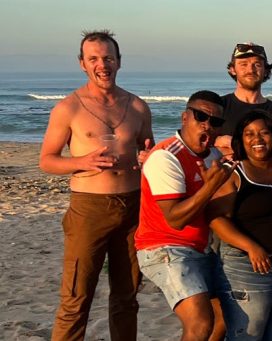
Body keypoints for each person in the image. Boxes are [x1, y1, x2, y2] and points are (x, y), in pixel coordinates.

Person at [38, 30, 153, 341]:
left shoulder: (138, 106)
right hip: (89, 208)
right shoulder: (68, 108)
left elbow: (149, 154)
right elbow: (47, 160)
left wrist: (147, 158)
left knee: (127, 297)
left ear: (118, 61)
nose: (102, 65)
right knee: (76, 298)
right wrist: (83, 161)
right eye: (94, 59)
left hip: (133, 207)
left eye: (108, 58)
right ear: (82, 64)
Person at [134, 90, 231, 341]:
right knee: (200, 322)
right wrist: (211, 186)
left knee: (224, 317)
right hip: (165, 247)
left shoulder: (213, 157)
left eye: (215, 121)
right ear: (185, 117)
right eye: (201, 117)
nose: (208, 125)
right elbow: (175, 219)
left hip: (201, 248)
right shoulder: (165, 156)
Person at [208, 110, 272, 340]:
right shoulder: (235, 172)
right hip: (246, 266)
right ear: (240, 140)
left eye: (264, 132)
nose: (257, 139)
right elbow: (216, 219)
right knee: (248, 334)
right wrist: (251, 247)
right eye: (249, 134)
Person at [215, 42, 272, 158]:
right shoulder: (218, 106)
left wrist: (233, 145)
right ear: (233, 69)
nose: (250, 70)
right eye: (243, 64)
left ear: (266, 70)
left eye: (257, 64)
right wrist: (217, 141)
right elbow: (198, 144)